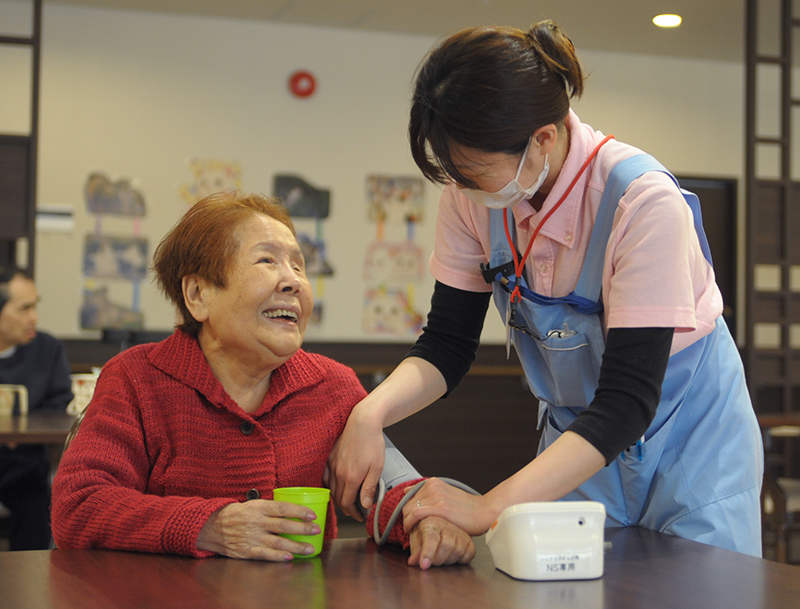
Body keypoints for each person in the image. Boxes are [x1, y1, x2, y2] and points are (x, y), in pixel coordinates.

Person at [328, 21, 764, 556]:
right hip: (578, 445)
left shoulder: (642, 202)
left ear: (543, 140)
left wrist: (487, 507)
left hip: (689, 446)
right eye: (455, 172)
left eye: (477, 172)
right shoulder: (470, 199)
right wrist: (368, 414)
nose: (463, 189)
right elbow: (447, 343)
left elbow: (628, 401)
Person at [51, 191, 474, 569]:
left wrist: (427, 522)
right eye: (267, 260)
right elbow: (79, 504)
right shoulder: (136, 379)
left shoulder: (331, 385)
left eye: (299, 265)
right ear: (198, 295)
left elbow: (390, 489)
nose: (293, 281)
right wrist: (209, 525)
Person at [0, 266, 73, 550]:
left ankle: (26, 584)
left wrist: (20, 433)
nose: (34, 318)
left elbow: (58, 405)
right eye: (24, 309)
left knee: (36, 504)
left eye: (35, 306)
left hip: (23, 463)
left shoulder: (48, 349)